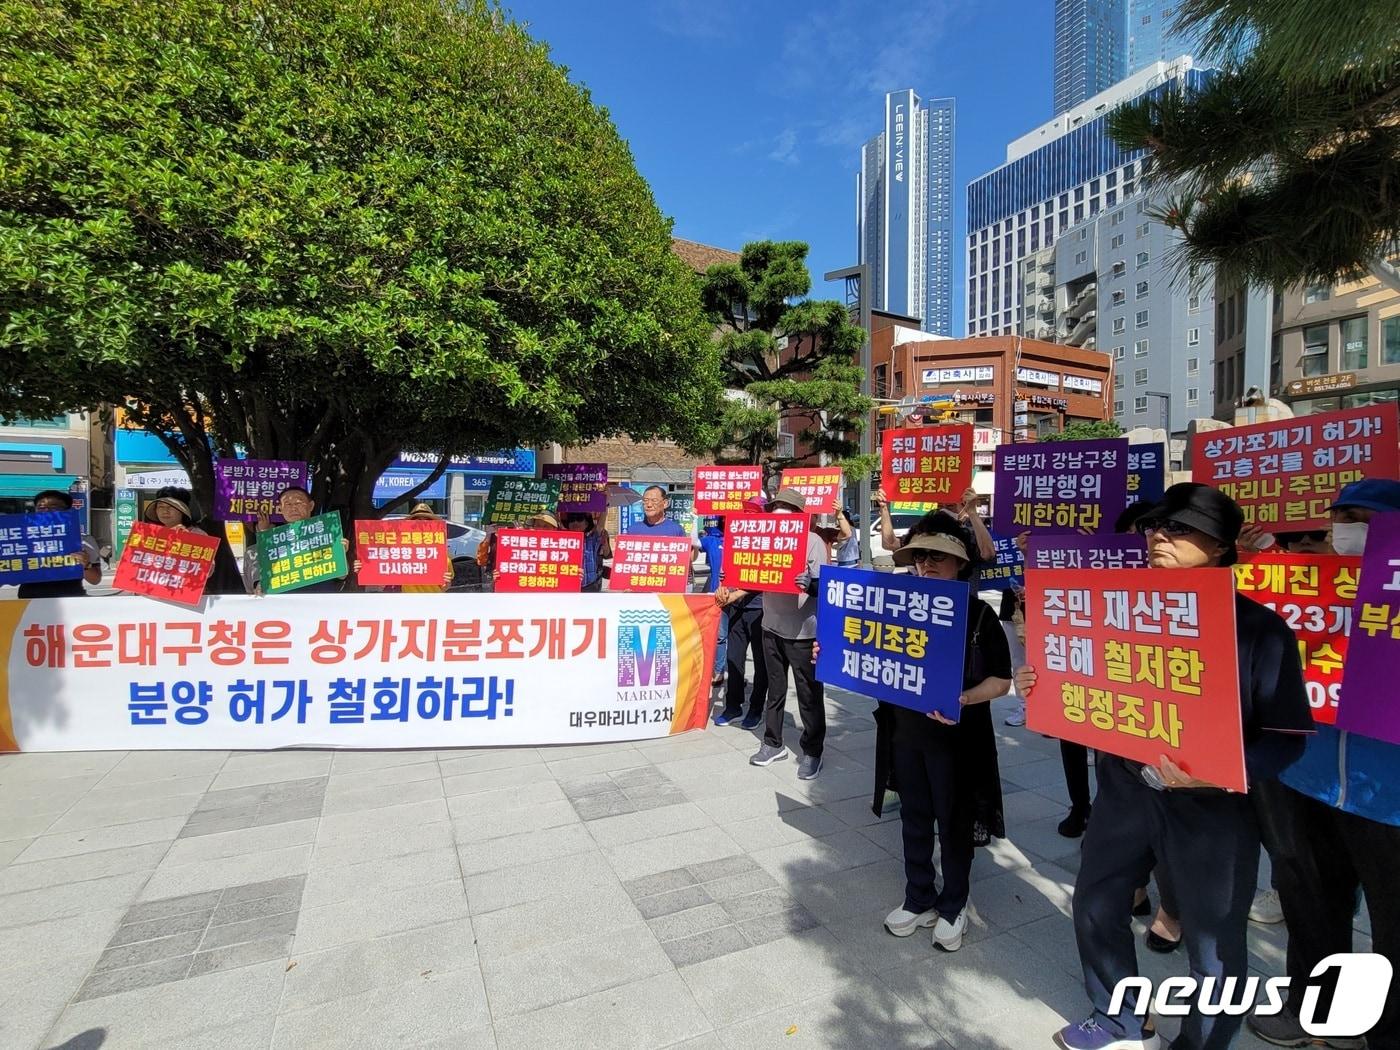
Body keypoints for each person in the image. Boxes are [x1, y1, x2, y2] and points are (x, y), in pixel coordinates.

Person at [1019, 483, 1312, 1050]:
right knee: (1097, 902)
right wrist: (1042, 684)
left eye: (1179, 529)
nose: (1159, 536)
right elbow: (1083, 686)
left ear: (1223, 546)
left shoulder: (1257, 628)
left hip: (1214, 806)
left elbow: (1286, 737)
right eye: (1155, 526)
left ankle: (1202, 1042)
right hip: (1125, 789)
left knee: (1213, 939)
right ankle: (1119, 1017)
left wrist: (1226, 769)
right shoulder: (1114, 606)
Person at [1246, 478, 1400, 1050]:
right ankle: (1314, 1009)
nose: (1343, 530)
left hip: (1387, 795)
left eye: (1360, 518)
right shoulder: (1302, 591)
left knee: (1394, 925)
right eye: (1337, 518)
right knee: (1310, 901)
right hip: (1304, 775)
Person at [878, 523, 1013, 951]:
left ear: (960, 564)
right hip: (906, 733)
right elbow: (866, 654)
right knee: (914, 816)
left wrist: (964, 698)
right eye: (920, 557)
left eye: (937, 556)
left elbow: (1002, 681)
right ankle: (919, 896)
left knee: (954, 823)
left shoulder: (979, 614)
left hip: (958, 739)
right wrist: (832, 654)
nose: (927, 564)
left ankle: (954, 904)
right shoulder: (895, 606)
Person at [749, 487, 829, 779]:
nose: (778, 515)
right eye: (775, 508)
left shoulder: (813, 542)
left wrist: (810, 583)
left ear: (799, 517)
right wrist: (731, 575)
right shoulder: (762, 540)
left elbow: (827, 588)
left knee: (808, 694)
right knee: (775, 688)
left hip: (803, 633)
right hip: (770, 626)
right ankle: (773, 742)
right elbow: (750, 572)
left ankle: (812, 751)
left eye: (785, 510)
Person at [144, 486, 245, 595]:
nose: (165, 511)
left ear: (182, 510)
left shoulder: (198, 535)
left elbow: (208, 570)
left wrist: (185, 541)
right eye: (160, 506)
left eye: (171, 506)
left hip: (187, 596)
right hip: (155, 596)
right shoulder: (150, 536)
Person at [247, 485, 348, 594]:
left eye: (298, 503)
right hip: (282, 604)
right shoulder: (272, 539)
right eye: (288, 504)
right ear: (280, 509)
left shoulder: (328, 533)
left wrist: (340, 553)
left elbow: (342, 576)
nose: (293, 508)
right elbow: (260, 577)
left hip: (320, 601)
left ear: (311, 505)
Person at [16, 489, 102, 598]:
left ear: (67, 511)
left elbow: (95, 580)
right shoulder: (21, 540)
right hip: (29, 602)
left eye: (54, 507)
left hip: (70, 600)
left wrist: (86, 565)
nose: (46, 511)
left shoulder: (83, 540)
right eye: (41, 508)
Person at [564, 510, 612, 593]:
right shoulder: (562, 541)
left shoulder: (592, 540)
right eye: (571, 520)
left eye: (579, 519)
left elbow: (600, 526)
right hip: (568, 587)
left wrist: (605, 502)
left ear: (586, 523)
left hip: (590, 587)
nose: (575, 522)